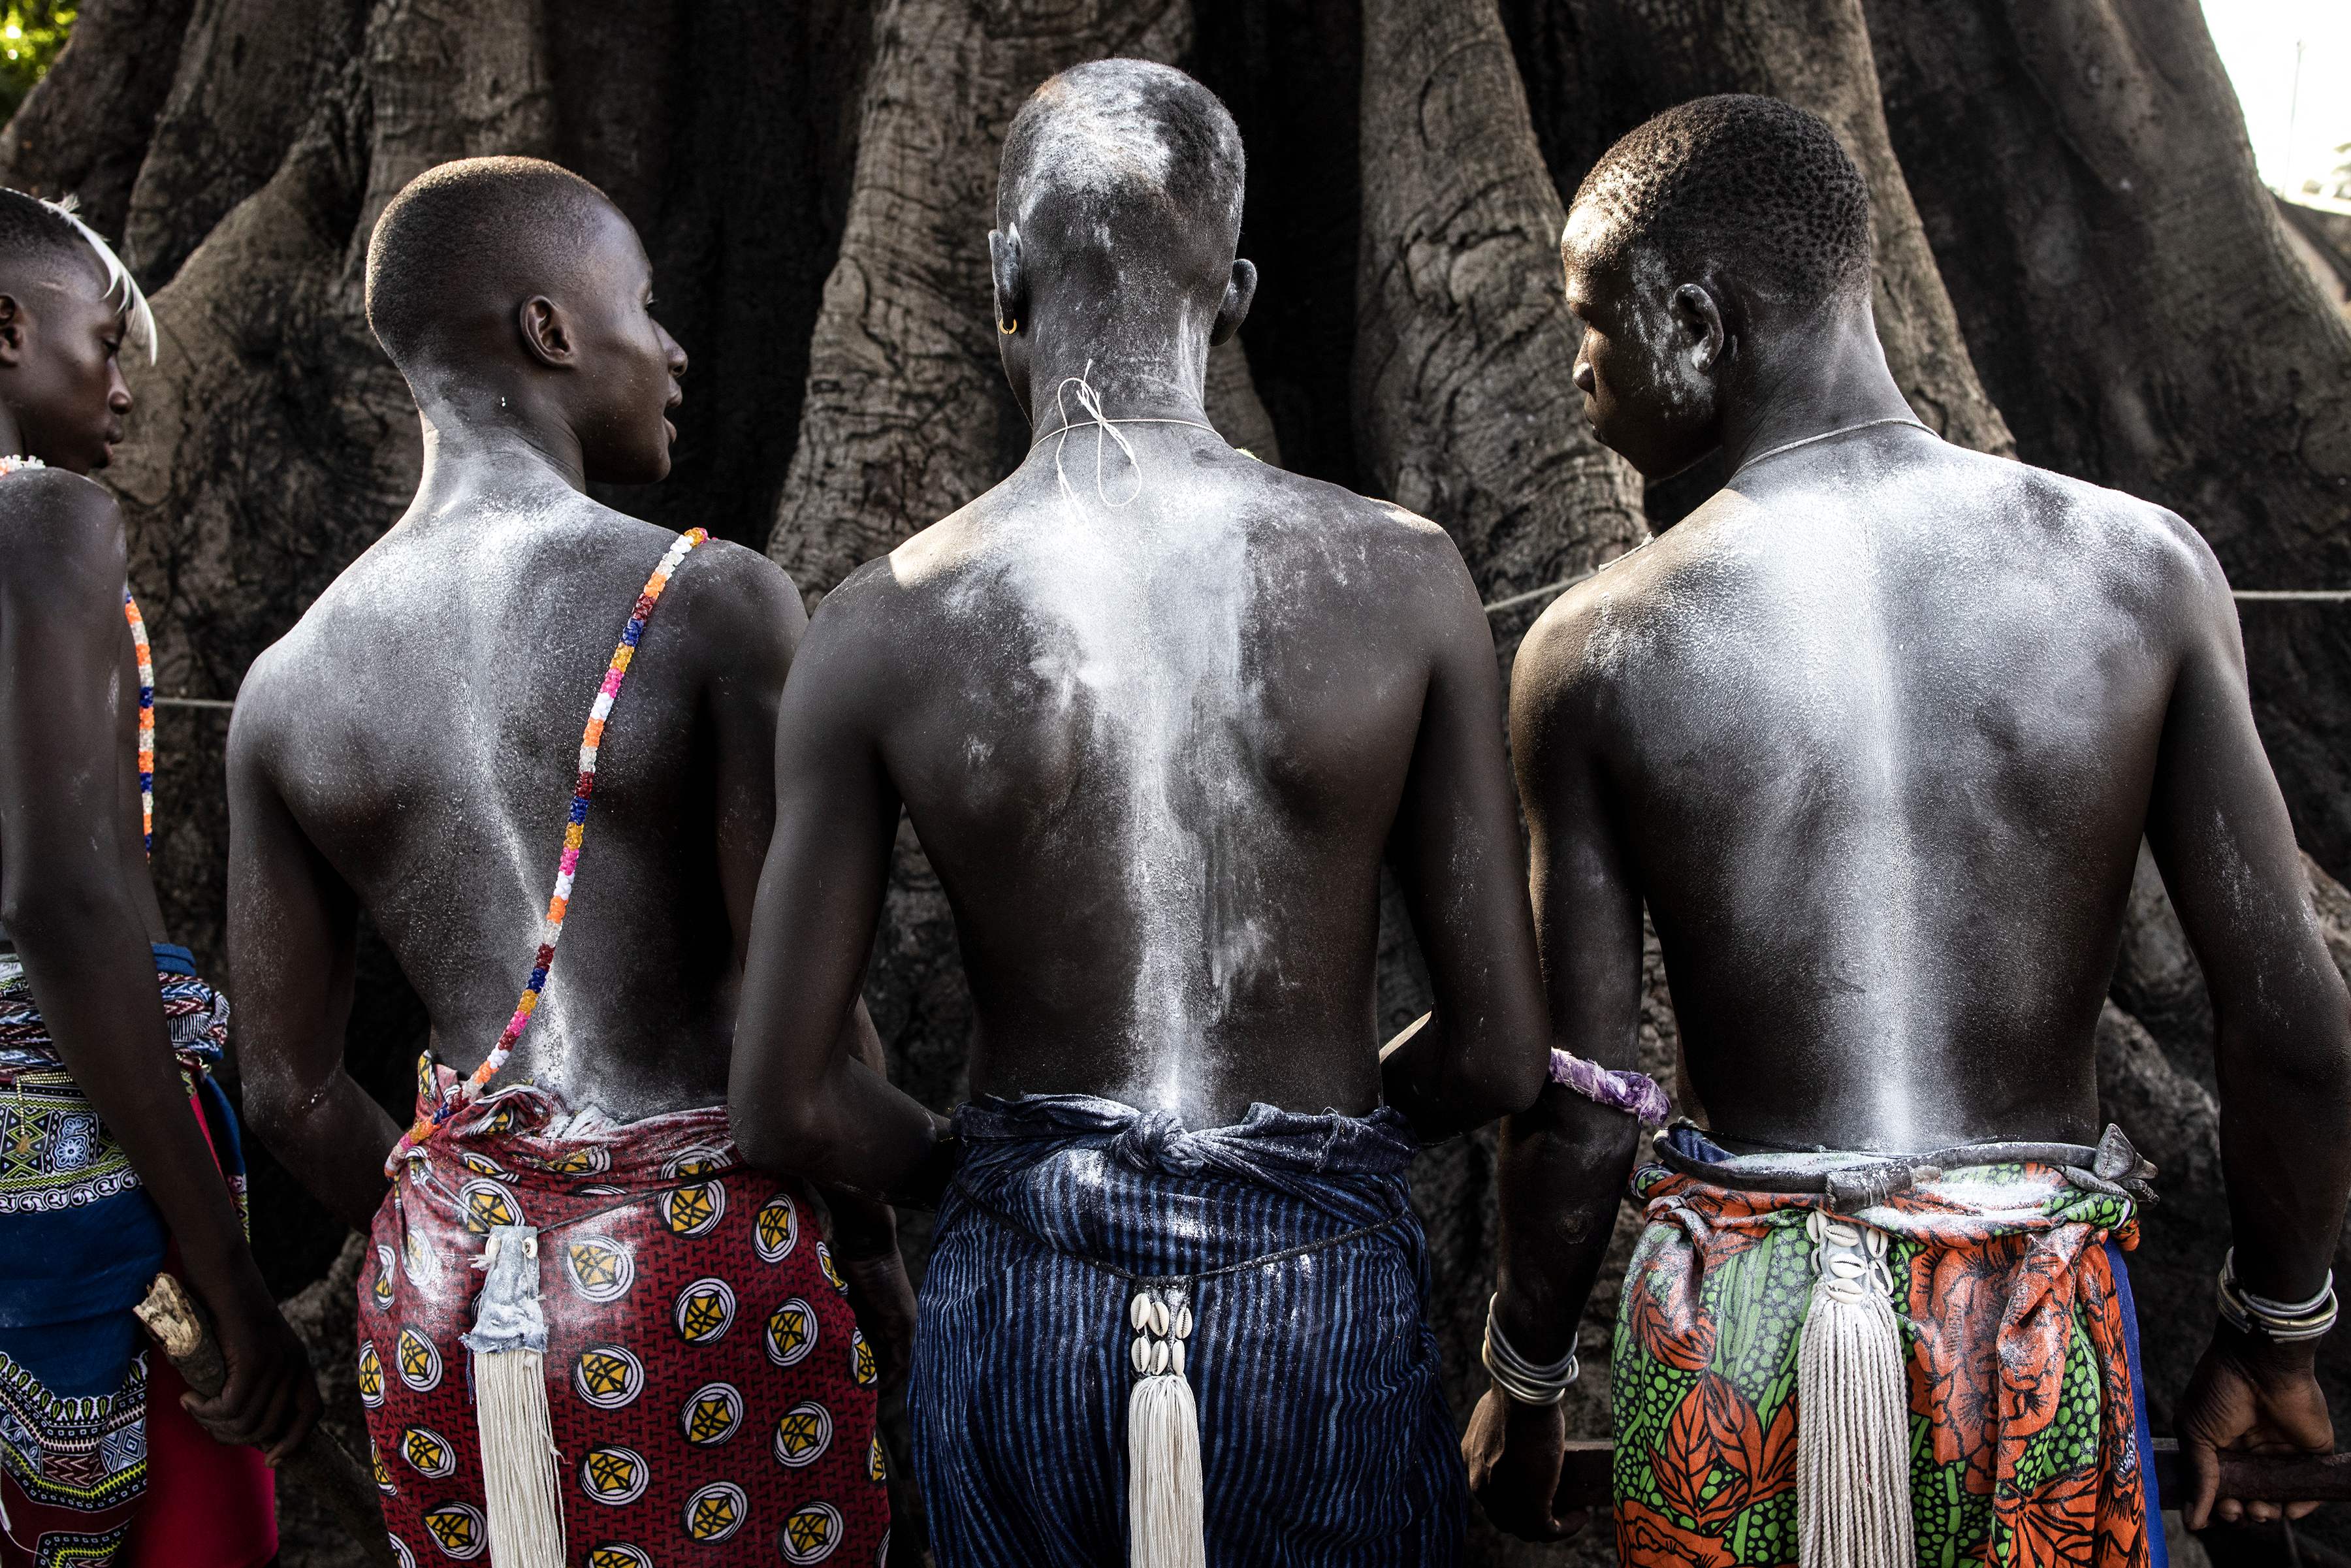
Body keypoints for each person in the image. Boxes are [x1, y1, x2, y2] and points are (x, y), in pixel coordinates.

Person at [1465, 94, 2351, 1567]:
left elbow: (1580, 1104)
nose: (1576, 364)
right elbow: (2301, 1025)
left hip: (1742, 1347)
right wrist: (2275, 1335)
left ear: (1698, 319)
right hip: (2038, 1330)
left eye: (1591, 321)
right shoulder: (2141, 575)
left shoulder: (1596, 647)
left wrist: (1528, 1376)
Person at [726, 59, 1551, 1568]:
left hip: (1024, 1303)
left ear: (998, 284)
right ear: (1230, 294)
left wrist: (992, 1168)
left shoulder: (883, 623)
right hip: (1315, 1297)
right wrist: (1320, 1146)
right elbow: (1499, 1047)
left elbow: (783, 1099)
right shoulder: (1403, 574)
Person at [227, 157, 901, 1567]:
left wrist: (488, 1233)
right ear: (549, 331)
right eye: (643, 307)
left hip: (440, 1302)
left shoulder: (290, 684)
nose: (672, 347)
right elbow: (813, 1046)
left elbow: (287, 1092)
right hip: (699, 1283)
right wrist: (890, 1288)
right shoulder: (709, 598)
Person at [0, 188, 315, 1568]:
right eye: (103, 341)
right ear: (6, 328)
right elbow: (66, 907)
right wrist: (230, 1271)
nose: (124, 388)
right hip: (77, 1187)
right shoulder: (42, 523)